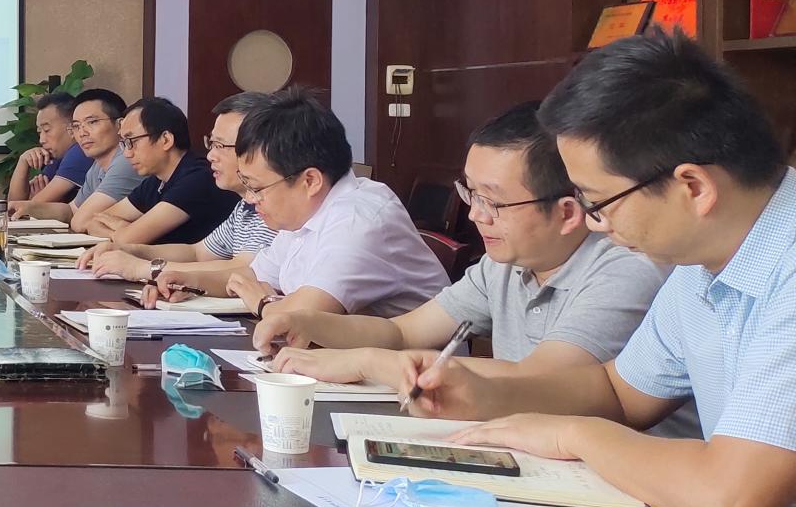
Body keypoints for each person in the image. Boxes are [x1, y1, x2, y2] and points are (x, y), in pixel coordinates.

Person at [403, 34, 796, 507]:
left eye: (599, 201)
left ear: (693, 187)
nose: (593, 224)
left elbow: (731, 501)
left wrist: (572, 435)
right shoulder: (701, 262)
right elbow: (620, 392)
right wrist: (486, 394)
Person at [256, 102, 664, 389]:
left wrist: (368, 362)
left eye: (493, 202)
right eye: (471, 194)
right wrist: (309, 324)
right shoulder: (504, 263)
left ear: (568, 212)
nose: (475, 215)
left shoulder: (623, 268)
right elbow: (402, 332)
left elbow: (545, 378)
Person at [153, 87, 446, 319]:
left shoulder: (358, 222)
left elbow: (303, 317)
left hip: (411, 372)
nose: (251, 200)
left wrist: (264, 303)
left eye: (257, 188)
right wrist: (186, 280)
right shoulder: (307, 213)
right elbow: (252, 276)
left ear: (310, 181)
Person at [74, 92, 278, 294]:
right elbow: (197, 252)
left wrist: (141, 267)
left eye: (220, 146)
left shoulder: (273, 203)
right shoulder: (245, 205)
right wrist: (130, 250)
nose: (211, 155)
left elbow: (245, 270)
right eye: (211, 144)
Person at [84, 97, 235, 245]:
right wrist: (125, 231)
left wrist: (126, 231)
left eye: (132, 141)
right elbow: (94, 223)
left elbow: (129, 240)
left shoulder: (198, 178)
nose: (127, 153)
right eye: (124, 143)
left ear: (166, 140)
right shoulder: (156, 181)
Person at [14, 89, 136, 230]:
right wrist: (24, 207)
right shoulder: (97, 166)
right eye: (77, 126)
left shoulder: (127, 161)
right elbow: (72, 210)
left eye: (92, 122)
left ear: (120, 125)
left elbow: (80, 221)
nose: (82, 133)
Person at [4, 91, 92, 211]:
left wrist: (34, 203)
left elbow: (24, 209)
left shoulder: (80, 152)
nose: (41, 140)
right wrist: (23, 161)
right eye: (39, 132)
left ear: (72, 128)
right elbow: (14, 205)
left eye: (46, 130)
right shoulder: (58, 157)